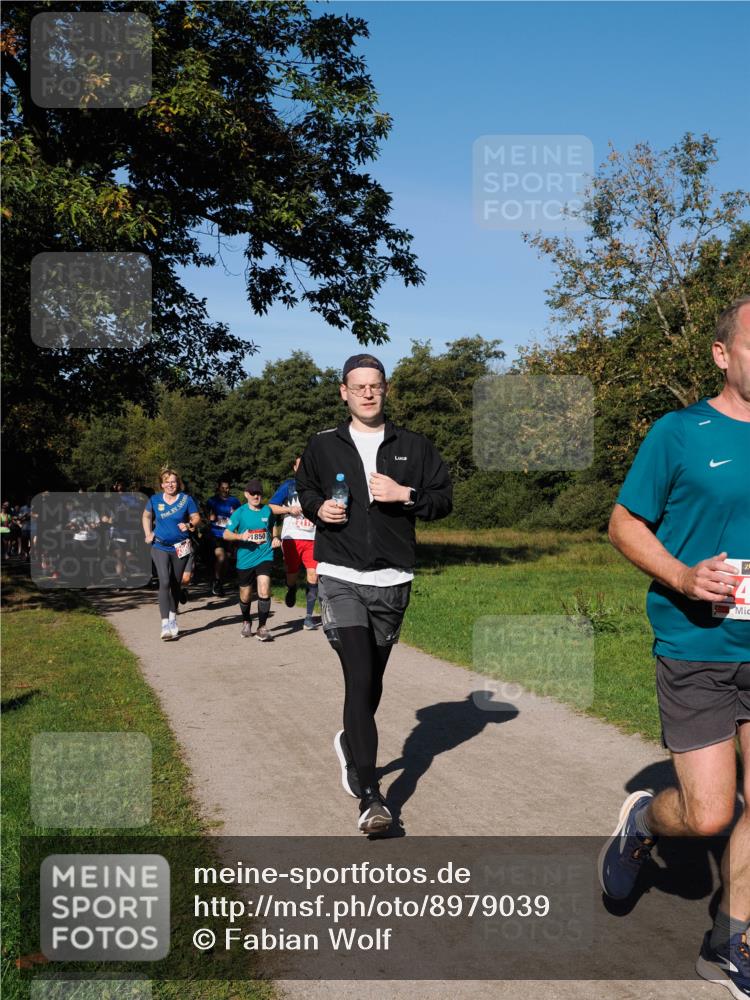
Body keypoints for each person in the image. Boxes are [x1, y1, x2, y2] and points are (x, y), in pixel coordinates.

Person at [598, 296, 750, 998]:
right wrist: (685, 576)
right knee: (711, 813)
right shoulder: (680, 432)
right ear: (723, 354)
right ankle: (642, 821)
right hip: (698, 644)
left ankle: (729, 939)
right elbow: (624, 524)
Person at [296, 353, 453, 835]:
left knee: (371, 684)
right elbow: (305, 490)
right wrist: (320, 508)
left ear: (385, 391)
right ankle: (372, 798)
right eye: (358, 386)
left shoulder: (415, 446)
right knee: (359, 678)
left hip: (391, 581)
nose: (367, 393)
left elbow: (443, 501)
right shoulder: (323, 445)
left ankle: (351, 742)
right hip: (340, 574)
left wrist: (404, 495)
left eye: (376, 386)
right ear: (343, 392)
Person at [141, 468, 200, 640]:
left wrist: (189, 524)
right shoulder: (155, 500)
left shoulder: (186, 500)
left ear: (178, 483)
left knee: (175, 583)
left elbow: (196, 518)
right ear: (162, 484)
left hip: (180, 547)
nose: (170, 484)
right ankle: (165, 624)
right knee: (164, 581)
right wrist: (148, 533)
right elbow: (145, 516)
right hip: (160, 546)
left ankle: (173, 617)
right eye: (167, 482)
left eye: (173, 481)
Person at [222, 478, 281, 642]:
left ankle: (262, 627)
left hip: (265, 555)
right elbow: (226, 534)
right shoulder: (239, 513)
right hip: (245, 558)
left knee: (264, 588)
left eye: (259, 493)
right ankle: (246, 621)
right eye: (253, 493)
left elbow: (272, 525)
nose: (256, 496)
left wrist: (275, 537)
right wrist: (240, 536)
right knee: (245, 595)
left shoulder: (267, 510)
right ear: (246, 494)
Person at [269, 457, 320, 629]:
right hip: (292, 538)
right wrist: (289, 509)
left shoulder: (318, 485)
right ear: (294, 468)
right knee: (292, 573)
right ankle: (291, 588)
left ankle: (308, 617)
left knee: (313, 575)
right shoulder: (288, 485)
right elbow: (271, 507)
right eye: (300, 465)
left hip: (312, 538)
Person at [205, 477, 241, 597]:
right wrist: (209, 517)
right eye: (222, 488)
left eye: (227, 488)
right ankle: (216, 581)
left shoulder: (234, 501)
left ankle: (219, 581)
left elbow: (239, 515)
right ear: (218, 488)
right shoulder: (212, 501)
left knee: (226, 561)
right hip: (216, 533)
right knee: (221, 556)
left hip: (229, 534)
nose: (225, 490)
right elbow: (203, 514)